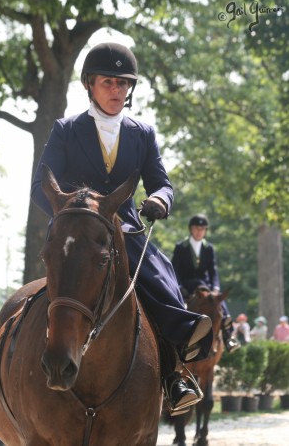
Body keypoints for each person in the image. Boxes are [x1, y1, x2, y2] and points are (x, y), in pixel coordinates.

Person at [31, 42, 213, 415]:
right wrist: (73, 210)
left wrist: (160, 200)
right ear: (89, 85)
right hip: (75, 230)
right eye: (109, 82)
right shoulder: (66, 129)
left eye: (123, 84)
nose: (117, 90)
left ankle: (174, 373)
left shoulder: (142, 132)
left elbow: (161, 182)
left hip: (125, 229)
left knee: (161, 275)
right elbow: (40, 187)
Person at [172, 214, 240, 353]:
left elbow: (213, 270)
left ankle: (229, 337)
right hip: (186, 287)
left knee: (221, 306)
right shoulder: (181, 247)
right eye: (197, 228)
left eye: (202, 229)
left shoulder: (209, 248)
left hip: (205, 287)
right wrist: (179, 287)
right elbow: (174, 269)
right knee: (175, 307)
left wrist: (215, 288)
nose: (199, 232)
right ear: (191, 229)